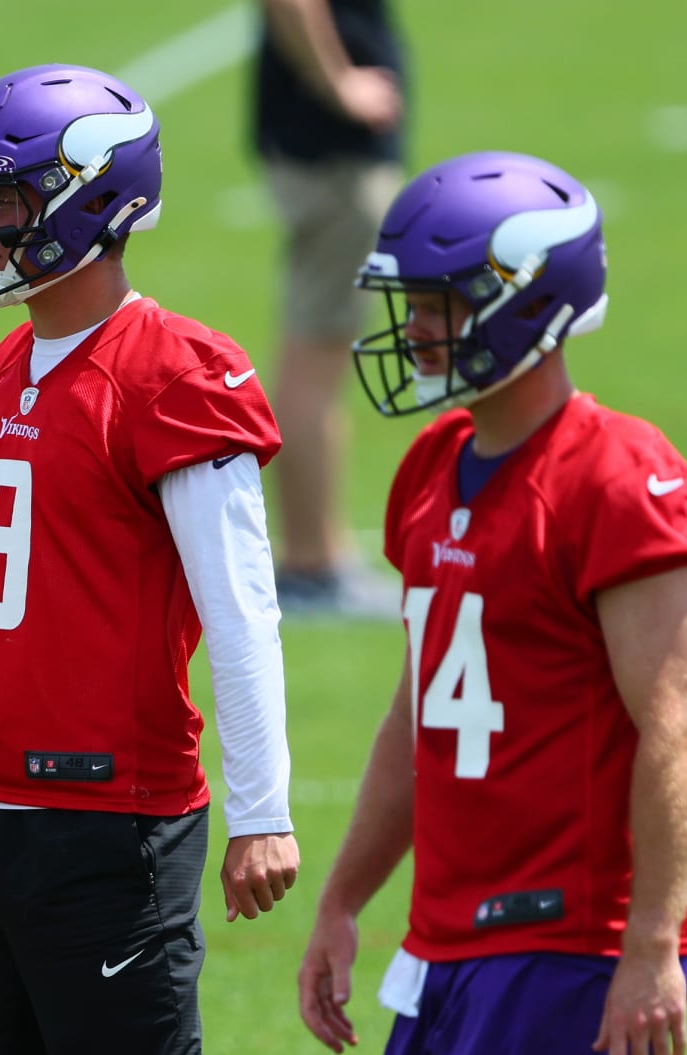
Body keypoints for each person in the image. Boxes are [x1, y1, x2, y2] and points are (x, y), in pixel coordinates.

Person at [0, 64, 302, 1055]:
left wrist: (262, 807)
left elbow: (242, 607)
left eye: (6, 203)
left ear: (91, 200)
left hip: (103, 823)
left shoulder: (175, 372)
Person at [296, 151, 687, 1055]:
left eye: (442, 304)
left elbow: (676, 723)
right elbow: (417, 718)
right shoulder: (432, 465)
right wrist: (346, 898)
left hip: (560, 945)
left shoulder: (621, 476)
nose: (419, 330)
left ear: (532, 300)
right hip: (443, 949)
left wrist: (650, 949)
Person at [252, 0, 408, 618]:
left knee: (321, 354)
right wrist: (337, 80)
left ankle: (322, 553)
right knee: (316, 356)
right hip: (332, 148)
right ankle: (312, 563)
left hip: (322, 142)